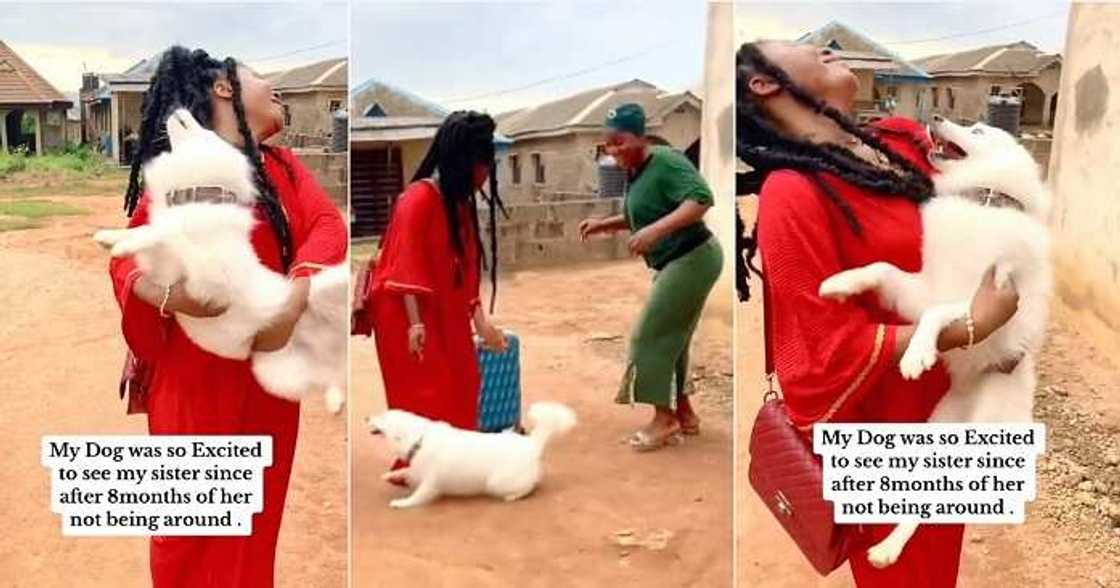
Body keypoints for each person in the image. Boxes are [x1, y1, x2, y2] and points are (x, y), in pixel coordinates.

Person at [735, 41, 1021, 587]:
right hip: (885, 424)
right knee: (908, 577)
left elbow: (987, 213)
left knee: (939, 571)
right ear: (762, 83)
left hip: (950, 406)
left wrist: (998, 334)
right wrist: (972, 326)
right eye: (798, 47)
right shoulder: (791, 193)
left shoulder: (900, 143)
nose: (823, 46)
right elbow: (824, 349)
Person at [107, 45, 347, 587]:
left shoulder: (283, 168)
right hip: (192, 384)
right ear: (223, 89)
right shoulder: (185, 168)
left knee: (254, 529)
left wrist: (297, 293)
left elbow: (327, 225)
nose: (277, 89)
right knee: (187, 532)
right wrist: (168, 298)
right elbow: (128, 257)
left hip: (264, 382)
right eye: (262, 75)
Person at [362, 111, 507, 459]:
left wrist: (481, 323)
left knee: (464, 377)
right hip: (403, 310)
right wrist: (415, 323)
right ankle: (416, 463)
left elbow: (467, 271)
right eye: (482, 166)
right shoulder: (417, 199)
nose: (485, 176)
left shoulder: (459, 205)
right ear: (463, 162)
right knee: (426, 388)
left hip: (444, 307)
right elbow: (404, 265)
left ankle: (455, 461)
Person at [578, 103, 723, 451]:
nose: (613, 151)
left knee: (648, 337)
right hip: (677, 260)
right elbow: (645, 212)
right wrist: (604, 224)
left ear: (641, 136)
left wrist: (656, 232)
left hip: (692, 257)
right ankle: (685, 414)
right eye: (607, 145)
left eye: (620, 142)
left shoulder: (666, 162)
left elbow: (701, 199)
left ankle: (664, 420)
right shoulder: (638, 171)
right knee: (674, 340)